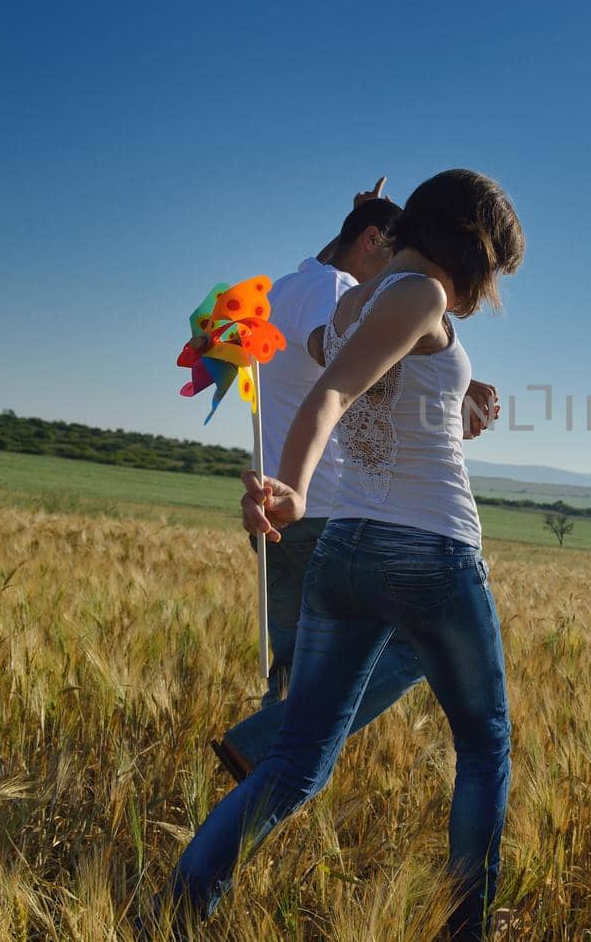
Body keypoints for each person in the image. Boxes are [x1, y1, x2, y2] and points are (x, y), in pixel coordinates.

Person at [163, 169, 525, 940]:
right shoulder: (421, 294)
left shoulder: (359, 302)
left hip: (349, 552)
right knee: (486, 746)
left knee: (296, 763)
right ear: (471, 245)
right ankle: (467, 930)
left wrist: (457, 400)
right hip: (431, 550)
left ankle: (179, 907)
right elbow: (331, 391)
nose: (484, 289)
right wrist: (291, 487)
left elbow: (364, 379)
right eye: (491, 268)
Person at [211, 179, 499, 778]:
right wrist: (438, 364)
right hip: (326, 505)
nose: (396, 270)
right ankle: (267, 742)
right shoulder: (339, 290)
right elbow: (336, 356)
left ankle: (262, 770)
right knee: (400, 656)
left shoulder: (283, 289)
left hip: (277, 503)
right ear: (375, 243)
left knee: (294, 668)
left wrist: (363, 217)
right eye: (392, 250)